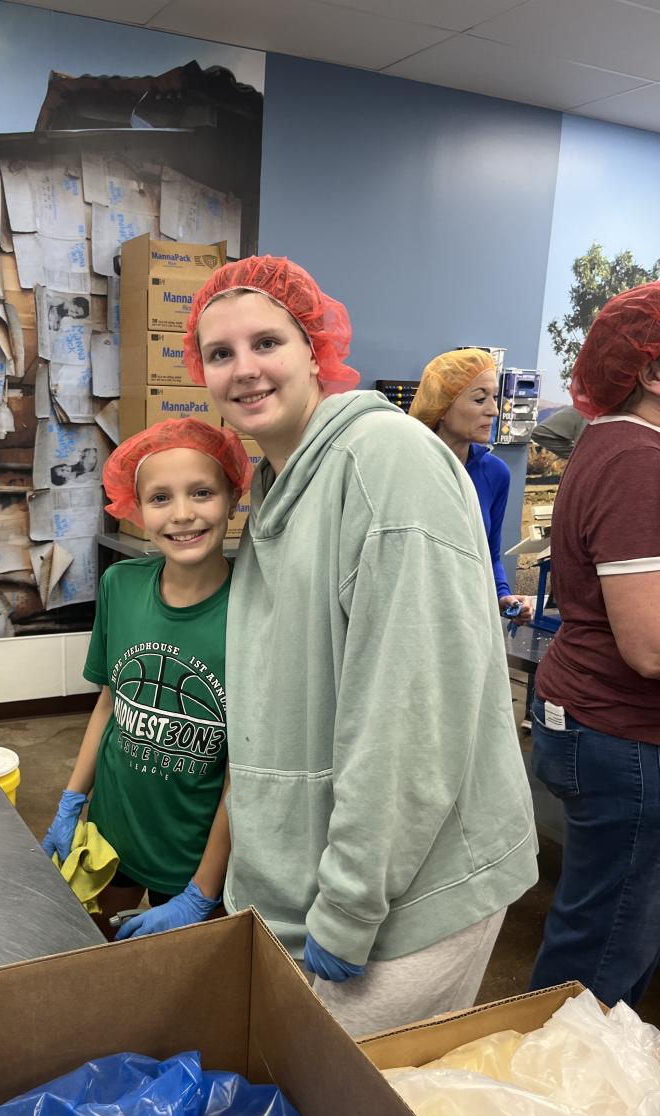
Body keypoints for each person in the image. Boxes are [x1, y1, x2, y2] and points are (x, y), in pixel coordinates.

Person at [181, 256, 538, 1036]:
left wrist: (347, 905)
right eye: (220, 353)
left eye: (266, 342)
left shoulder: (385, 463)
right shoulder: (279, 483)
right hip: (319, 884)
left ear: (315, 350)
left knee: (351, 1101)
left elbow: (411, 715)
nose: (245, 369)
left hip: (408, 894)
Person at [42, 418, 252, 942]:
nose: (181, 514)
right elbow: (108, 704)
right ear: (136, 509)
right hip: (109, 833)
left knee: (173, 977)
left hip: (191, 856)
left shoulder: (253, 614)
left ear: (233, 498)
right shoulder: (121, 586)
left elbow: (243, 770)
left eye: (201, 492)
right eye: (160, 498)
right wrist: (72, 800)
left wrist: (203, 889)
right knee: (93, 950)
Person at [529, 282, 660, 1010]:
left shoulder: (611, 442)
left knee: (612, 931)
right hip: (620, 734)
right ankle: (556, 1075)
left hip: (595, 721)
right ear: (652, 370)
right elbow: (650, 646)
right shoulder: (639, 460)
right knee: (604, 955)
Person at [410, 348, 533, 622]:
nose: (494, 410)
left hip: (467, 619)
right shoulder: (407, 468)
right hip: (412, 618)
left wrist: (503, 596)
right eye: (480, 399)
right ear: (441, 407)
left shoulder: (495, 474)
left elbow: (489, 555)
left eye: (494, 397)